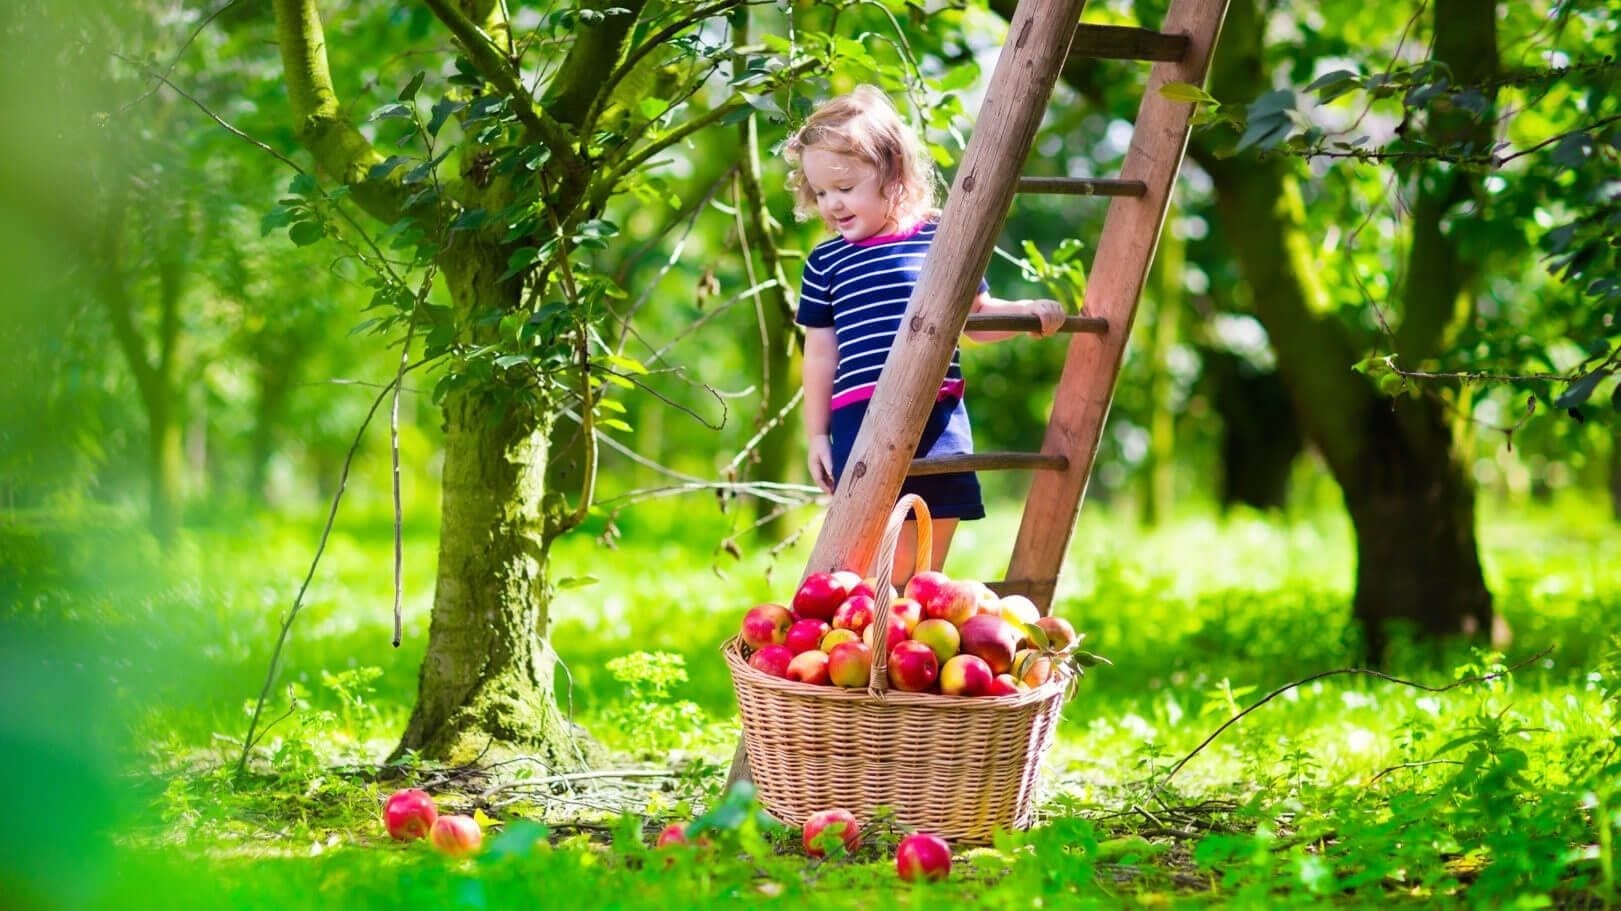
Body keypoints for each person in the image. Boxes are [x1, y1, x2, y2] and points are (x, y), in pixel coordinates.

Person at [785, 84, 1066, 585]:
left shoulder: (938, 236)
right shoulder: (824, 263)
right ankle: (873, 642)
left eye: (845, 188)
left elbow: (976, 317)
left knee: (926, 564)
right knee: (869, 554)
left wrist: (1023, 312)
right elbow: (820, 356)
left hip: (936, 417)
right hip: (860, 419)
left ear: (892, 175)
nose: (832, 204)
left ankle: (912, 638)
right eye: (820, 192)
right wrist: (815, 435)